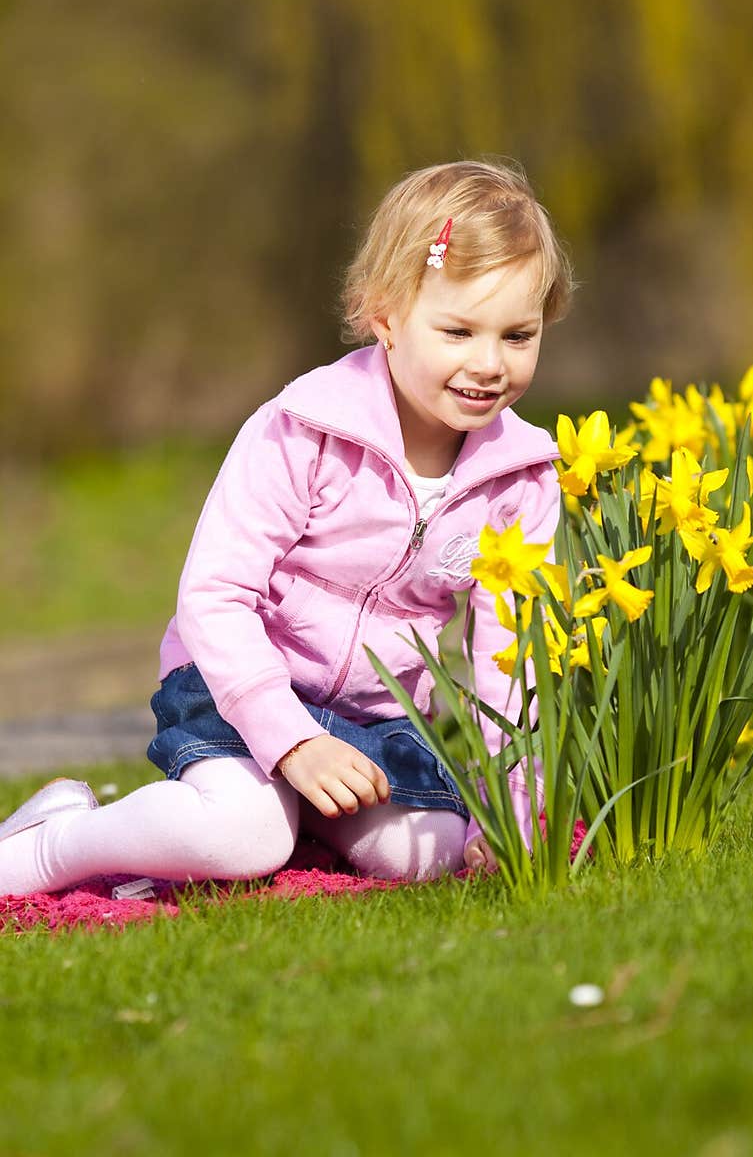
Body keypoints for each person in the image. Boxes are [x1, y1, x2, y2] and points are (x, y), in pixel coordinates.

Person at [0, 159, 573, 895]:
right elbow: (214, 594)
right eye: (458, 330)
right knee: (245, 836)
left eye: (518, 335)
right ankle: (57, 843)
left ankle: (291, 809)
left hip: (372, 717)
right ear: (385, 315)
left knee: (431, 853)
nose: (488, 363)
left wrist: (511, 819)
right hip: (237, 686)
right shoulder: (304, 431)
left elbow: (512, 661)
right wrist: (291, 738)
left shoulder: (519, 477)